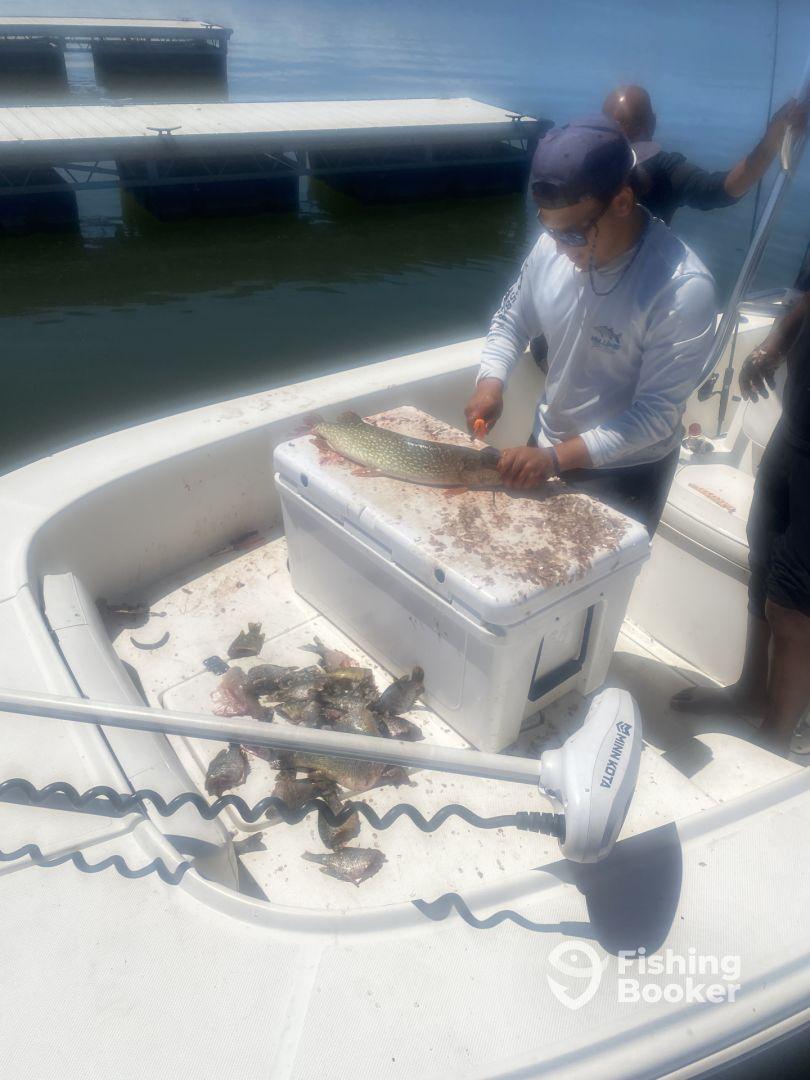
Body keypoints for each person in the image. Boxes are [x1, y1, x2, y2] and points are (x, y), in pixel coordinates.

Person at [464, 114, 717, 536]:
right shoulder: (552, 247)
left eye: (574, 234)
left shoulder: (681, 289)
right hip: (545, 449)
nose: (561, 247)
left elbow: (654, 416)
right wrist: (490, 383)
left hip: (626, 474)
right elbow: (511, 320)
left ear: (621, 201)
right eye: (550, 228)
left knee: (591, 602)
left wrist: (557, 458)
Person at [671, 283, 810, 757]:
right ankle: (749, 693)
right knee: (764, 559)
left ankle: (774, 739)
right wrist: (774, 345)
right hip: (797, 427)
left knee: (795, 599)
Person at [602, 84, 806, 226]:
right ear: (653, 122)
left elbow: (720, 189)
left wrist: (773, 137)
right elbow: (721, 189)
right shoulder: (665, 170)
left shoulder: (580, 161)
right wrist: (772, 137)